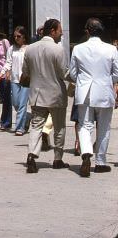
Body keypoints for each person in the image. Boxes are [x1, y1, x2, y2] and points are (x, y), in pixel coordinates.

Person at [69, 17, 118, 177]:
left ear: (87, 31)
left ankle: (86, 152)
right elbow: (116, 73)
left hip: (85, 92)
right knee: (104, 127)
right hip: (104, 91)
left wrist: (83, 81)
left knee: (85, 125)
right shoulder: (111, 49)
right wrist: (107, 81)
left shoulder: (78, 48)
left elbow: (73, 73)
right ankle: (101, 162)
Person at [22, 18, 70, 174]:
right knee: (59, 127)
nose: (61, 33)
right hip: (56, 95)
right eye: (60, 30)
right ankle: (57, 159)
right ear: (53, 31)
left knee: (36, 126)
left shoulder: (29, 49)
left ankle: (31, 155)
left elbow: (26, 72)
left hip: (36, 94)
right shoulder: (58, 49)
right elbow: (64, 73)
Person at [4, 26, 30, 136]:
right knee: (16, 103)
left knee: (22, 104)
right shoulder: (11, 48)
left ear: (24, 37)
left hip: (26, 79)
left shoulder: (29, 48)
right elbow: (8, 62)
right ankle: (27, 117)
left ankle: (20, 127)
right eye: (14, 36)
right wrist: (4, 73)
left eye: (18, 36)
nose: (16, 38)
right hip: (14, 79)